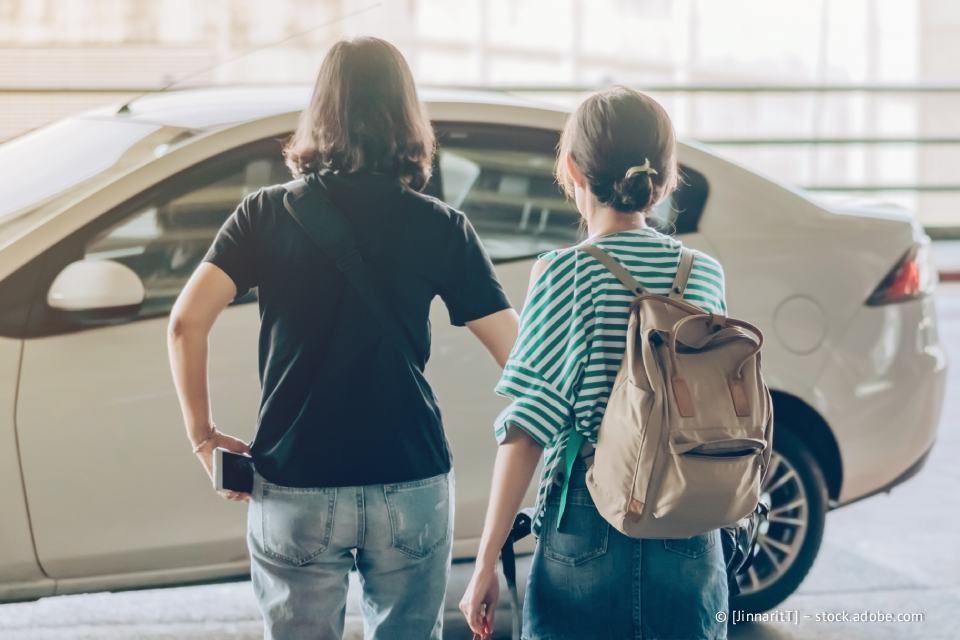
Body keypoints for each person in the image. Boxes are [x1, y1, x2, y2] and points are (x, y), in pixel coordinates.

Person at [167, 37, 518, 640]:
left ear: (321, 112)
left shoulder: (263, 214)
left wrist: (204, 437)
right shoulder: (441, 226)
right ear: (407, 117)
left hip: (295, 478)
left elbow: (184, 323)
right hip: (409, 476)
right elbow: (520, 357)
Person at [460, 86, 730, 640]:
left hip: (589, 518)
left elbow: (529, 426)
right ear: (664, 177)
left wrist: (485, 561)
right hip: (690, 516)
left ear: (573, 170)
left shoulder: (566, 274)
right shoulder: (704, 273)